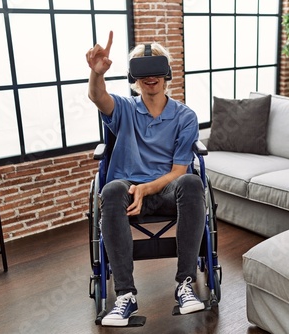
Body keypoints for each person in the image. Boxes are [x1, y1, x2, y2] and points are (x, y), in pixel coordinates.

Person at [86, 31, 206, 327]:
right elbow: (97, 96)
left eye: (155, 68)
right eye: (141, 68)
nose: (149, 75)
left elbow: (179, 170)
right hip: (126, 191)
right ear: (133, 76)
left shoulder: (185, 116)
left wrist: (146, 188)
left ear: (166, 73)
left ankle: (185, 285)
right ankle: (125, 295)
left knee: (192, 182)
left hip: (168, 190)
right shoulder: (125, 108)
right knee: (112, 189)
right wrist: (96, 73)